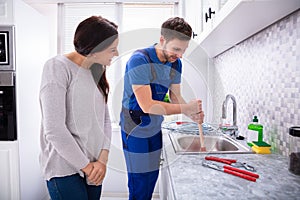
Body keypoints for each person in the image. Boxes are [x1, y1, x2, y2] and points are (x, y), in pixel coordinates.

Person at [120, 17, 204, 200]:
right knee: (139, 181)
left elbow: (175, 98)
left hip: (154, 125)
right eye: (176, 49)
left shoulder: (176, 63)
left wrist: (192, 113)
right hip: (134, 126)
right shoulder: (139, 60)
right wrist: (186, 107)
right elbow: (147, 105)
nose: (180, 55)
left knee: (151, 178)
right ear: (162, 40)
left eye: (183, 50)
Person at [39, 16, 118, 200]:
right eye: (112, 49)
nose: (116, 53)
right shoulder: (57, 67)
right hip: (64, 168)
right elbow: (54, 130)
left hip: (94, 166)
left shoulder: (95, 71)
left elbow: (104, 119)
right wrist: (88, 167)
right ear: (95, 49)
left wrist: (102, 161)